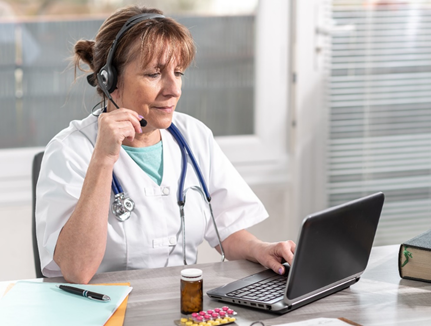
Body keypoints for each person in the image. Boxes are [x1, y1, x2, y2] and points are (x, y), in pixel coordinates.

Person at [36, 5, 295, 284]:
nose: (174, 89)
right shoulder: (70, 151)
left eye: (178, 72)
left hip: (182, 306)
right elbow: (77, 270)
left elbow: (226, 230)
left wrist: (262, 250)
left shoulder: (193, 136)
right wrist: (103, 160)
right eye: (154, 74)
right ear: (109, 80)